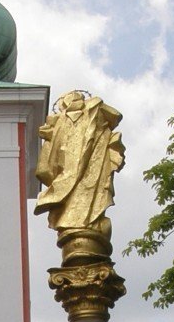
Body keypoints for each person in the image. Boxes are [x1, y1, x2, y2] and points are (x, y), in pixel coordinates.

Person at [35, 91, 125, 235]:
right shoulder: (61, 122)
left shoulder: (94, 108)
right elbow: (47, 166)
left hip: (94, 166)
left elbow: (115, 116)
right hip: (73, 170)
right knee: (75, 212)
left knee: (88, 204)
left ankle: (87, 224)